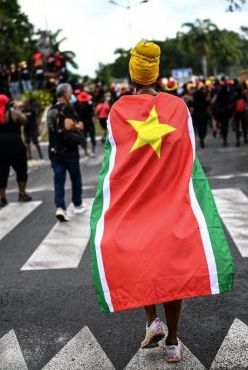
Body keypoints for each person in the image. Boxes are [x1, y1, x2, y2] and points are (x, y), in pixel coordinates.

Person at [89, 41, 234, 363]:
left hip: (136, 204)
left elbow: (112, 161)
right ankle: (173, 341)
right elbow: (189, 154)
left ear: (132, 74)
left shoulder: (118, 110)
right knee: (171, 274)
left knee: (145, 264)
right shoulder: (177, 107)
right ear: (156, 74)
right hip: (171, 202)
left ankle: (150, 321)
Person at [47, 83, 86, 222]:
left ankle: (60, 207)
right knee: (75, 177)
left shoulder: (50, 110)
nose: (71, 95)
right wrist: (79, 126)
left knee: (59, 179)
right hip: (69, 149)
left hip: (55, 150)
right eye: (70, 92)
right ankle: (77, 204)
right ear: (64, 94)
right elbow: (68, 125)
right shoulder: (67, 109)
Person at [0, 94, 32, 207]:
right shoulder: (13, 114)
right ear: (7, 103)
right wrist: (17, 108)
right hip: (14, 144)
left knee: (1, 172)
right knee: (21, 169)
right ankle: (22, 193)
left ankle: (3, 198)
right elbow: (24, 120)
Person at [74, 90, 96, 156]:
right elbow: (94, 113)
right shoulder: (89, 104)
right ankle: (93, 150)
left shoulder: (77, 105)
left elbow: (75, 113)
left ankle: (86, 152)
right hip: (89, 122)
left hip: (82, 123)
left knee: (83, 137)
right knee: (92, 136)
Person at [190, 84, 210, 148]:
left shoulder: (194, 102)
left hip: (196, 117)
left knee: (197, 128)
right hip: (204, 116)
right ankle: (202, 138)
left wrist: (190, 116)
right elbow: (208, 109)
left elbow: (192, 110)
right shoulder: (205, 101)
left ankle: (197, 138)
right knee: (203, 128)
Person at [232, 80, 248, 147]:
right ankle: (245, 138)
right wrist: (247, 110)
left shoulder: (234, 97)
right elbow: (246, 103)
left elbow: (233, 105)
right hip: (243, 112)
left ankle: (238, 140)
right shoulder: (243, 96)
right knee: (244, 125)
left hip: (236, 112)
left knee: (237, 126)